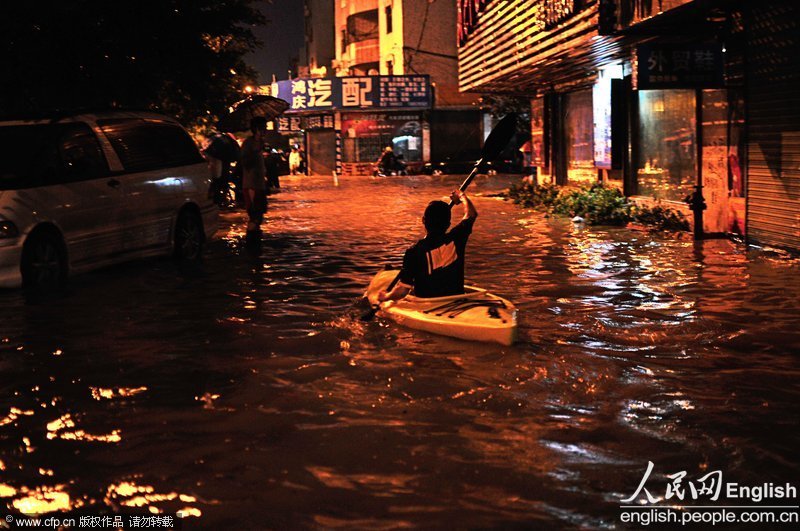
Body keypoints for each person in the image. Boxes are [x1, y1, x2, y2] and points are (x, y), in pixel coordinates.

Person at [378, 190, 478, 302]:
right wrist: (461, 196)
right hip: (456, 298)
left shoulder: (413, 252)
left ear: (423, 220)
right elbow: (471, 214)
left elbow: (402, 291)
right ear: (448, 224)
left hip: (427, 303)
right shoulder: (457, 237)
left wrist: (385, 297)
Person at [240, 117, 268, 244]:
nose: (265, 131)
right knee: (254, 216)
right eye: (263, 128)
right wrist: (256, 150)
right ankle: (251, 244)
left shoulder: (259, 143)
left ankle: (256, 245)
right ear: (257, 129)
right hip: (252, 186)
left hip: (260, 185)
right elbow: (245, 163)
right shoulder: (248, 143)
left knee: (260, 215)